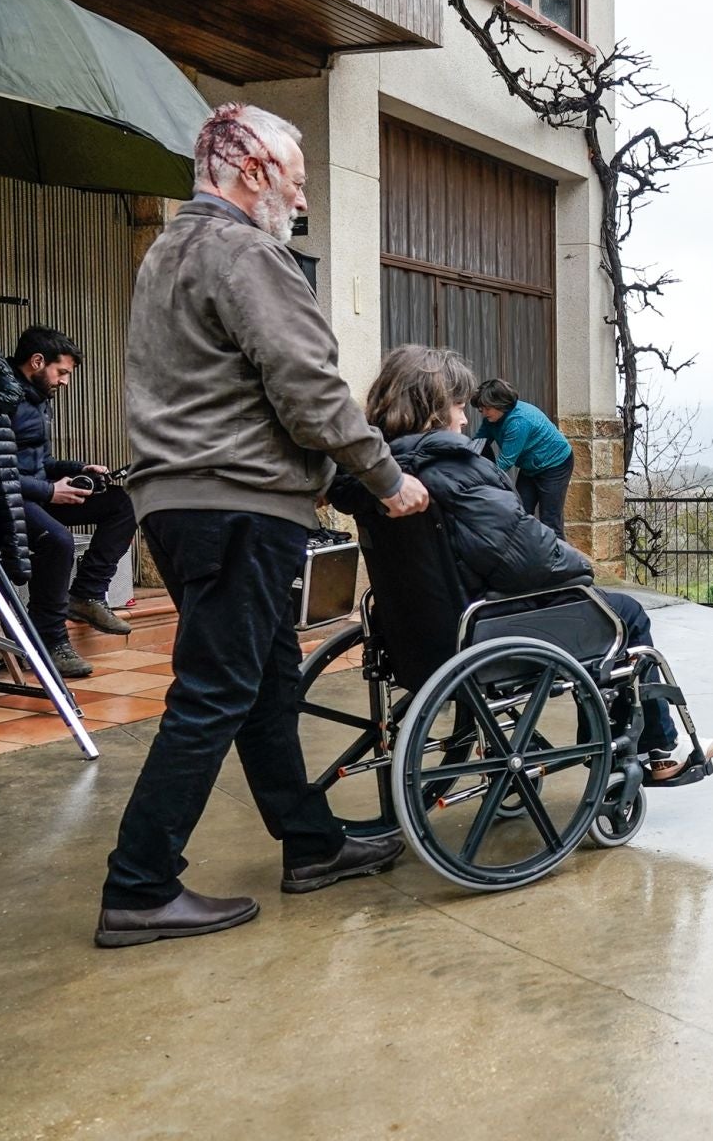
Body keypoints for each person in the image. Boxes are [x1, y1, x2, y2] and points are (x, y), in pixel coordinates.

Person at [97, 102, 431, 949]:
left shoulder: (168, 252)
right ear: (253, 172)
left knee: (265, 680)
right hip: (238, 505)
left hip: (179, 505)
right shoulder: (247, 252)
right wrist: (386, 479)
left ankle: (311, 843)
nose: (304, 198)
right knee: (215, 692)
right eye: (297, 179)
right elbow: (310, 390)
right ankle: (139, 886)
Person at [332, 345, 713, 781]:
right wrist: (579, 566)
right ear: (434, 411)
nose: (465, 420)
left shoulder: (377, 478)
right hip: (480, 631)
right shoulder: (455, 473)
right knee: (621, 614)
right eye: (458, 407)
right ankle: (658, 751)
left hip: (414, 636)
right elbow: (530, 557)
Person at [10, 326, 137, 678]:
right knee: (58, 541)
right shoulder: (0, 399)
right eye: (62, 372)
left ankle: (86, 595)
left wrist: (79, 469)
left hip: (36, 493)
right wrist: (51, 491)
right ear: (37, 361)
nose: (65, 382)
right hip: (4, 502)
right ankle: (49, 641)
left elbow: (40, 463)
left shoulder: (38, 399)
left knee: (123, 503)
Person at [473, 377, 574, 540]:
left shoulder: (519, 421)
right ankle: (526, 553)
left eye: (487, 409)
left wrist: (481, 483)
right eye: (481, 409)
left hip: (556, 464)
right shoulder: (491, 419)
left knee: (550, 520)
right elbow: (479, 442)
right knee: (520, 512)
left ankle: (559, 556)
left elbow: (505, 462)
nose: (484, 413)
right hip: (530, 466)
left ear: (501, 405)